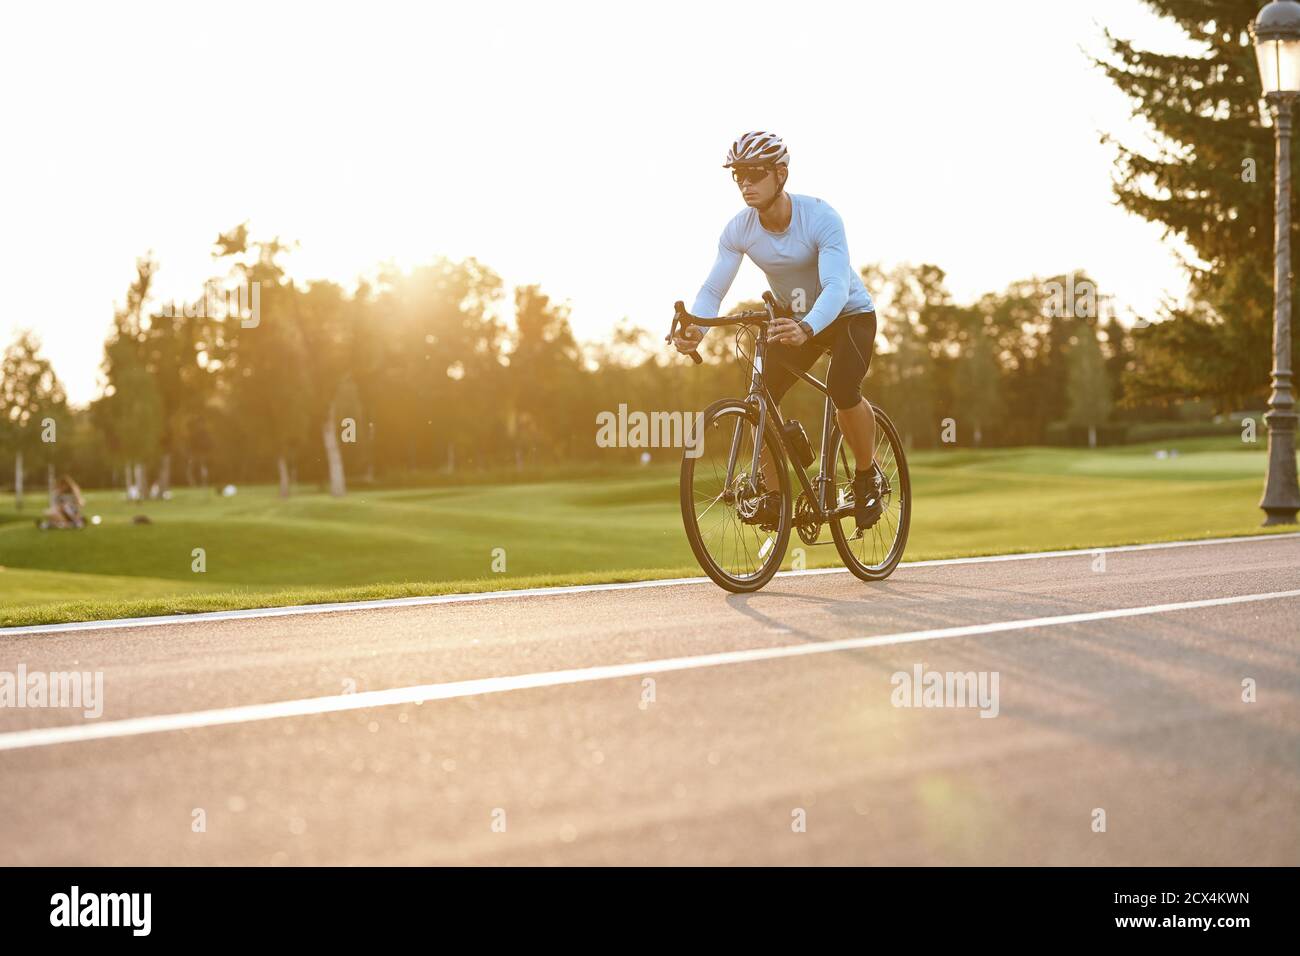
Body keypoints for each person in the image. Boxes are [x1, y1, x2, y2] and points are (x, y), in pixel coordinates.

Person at [672, 130, 886, 531]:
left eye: (755, 173)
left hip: (848, 316)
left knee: (842, 389)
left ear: (781, 174)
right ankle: (775, 495)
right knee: (762, 398)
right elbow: (713, 289)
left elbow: (837, 288)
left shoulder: (821, 217)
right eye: (738, 176)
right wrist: (696, 331)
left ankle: (865, 476)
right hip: (796, 319)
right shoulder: (739, 229)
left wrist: (807, 327)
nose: (745, 183)